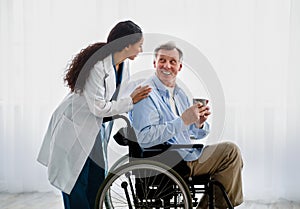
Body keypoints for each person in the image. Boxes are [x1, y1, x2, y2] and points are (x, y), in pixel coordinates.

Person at [37, 20, 152, 209]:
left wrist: (139, 98)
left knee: (97, 180)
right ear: (126, 44)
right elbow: (98, 107)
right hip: (75, 127)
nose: (141, 50)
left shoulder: (122, 64)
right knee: (76, 183)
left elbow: (121, 94)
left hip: (94, 128)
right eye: (139, 45)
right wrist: (131, 100)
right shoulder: (98, 65)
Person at [130, 42, 243, 208]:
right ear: (154, 63)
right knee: (230, 153)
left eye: (172, 62)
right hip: (171, 159)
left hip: (186, 152)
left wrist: (197, 124)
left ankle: (214, 204)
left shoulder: (179, 93)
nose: (167, 66)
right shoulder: (146, 94)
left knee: (230, 166)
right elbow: (145, 138)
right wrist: (182, 121)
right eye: (162, 60)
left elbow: (192, 132)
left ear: (180, 67)